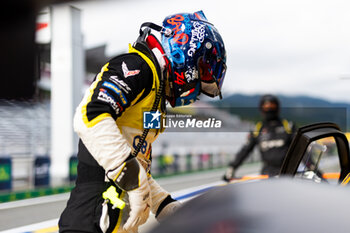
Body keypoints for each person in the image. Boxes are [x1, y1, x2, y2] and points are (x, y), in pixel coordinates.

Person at [59, 10, 226, 233]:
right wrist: (134, 183)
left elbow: (136, 165)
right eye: (203, 71)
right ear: (187, 51)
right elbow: (90, 116)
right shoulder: (137, 66)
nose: (197, 89)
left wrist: (166, 206)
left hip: (114, 218)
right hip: (92, 217)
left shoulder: (156, 91)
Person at [223, 94, 297, 181]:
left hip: (289, 173)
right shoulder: (257, 129)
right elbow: (245, 150)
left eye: (272, 106)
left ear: (277, 107)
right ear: (261, 108)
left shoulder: (288, 126)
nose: (269, 109)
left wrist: (311, 166)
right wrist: (232, 168)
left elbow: (300, 147)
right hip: (267, 174)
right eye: (266, 106)